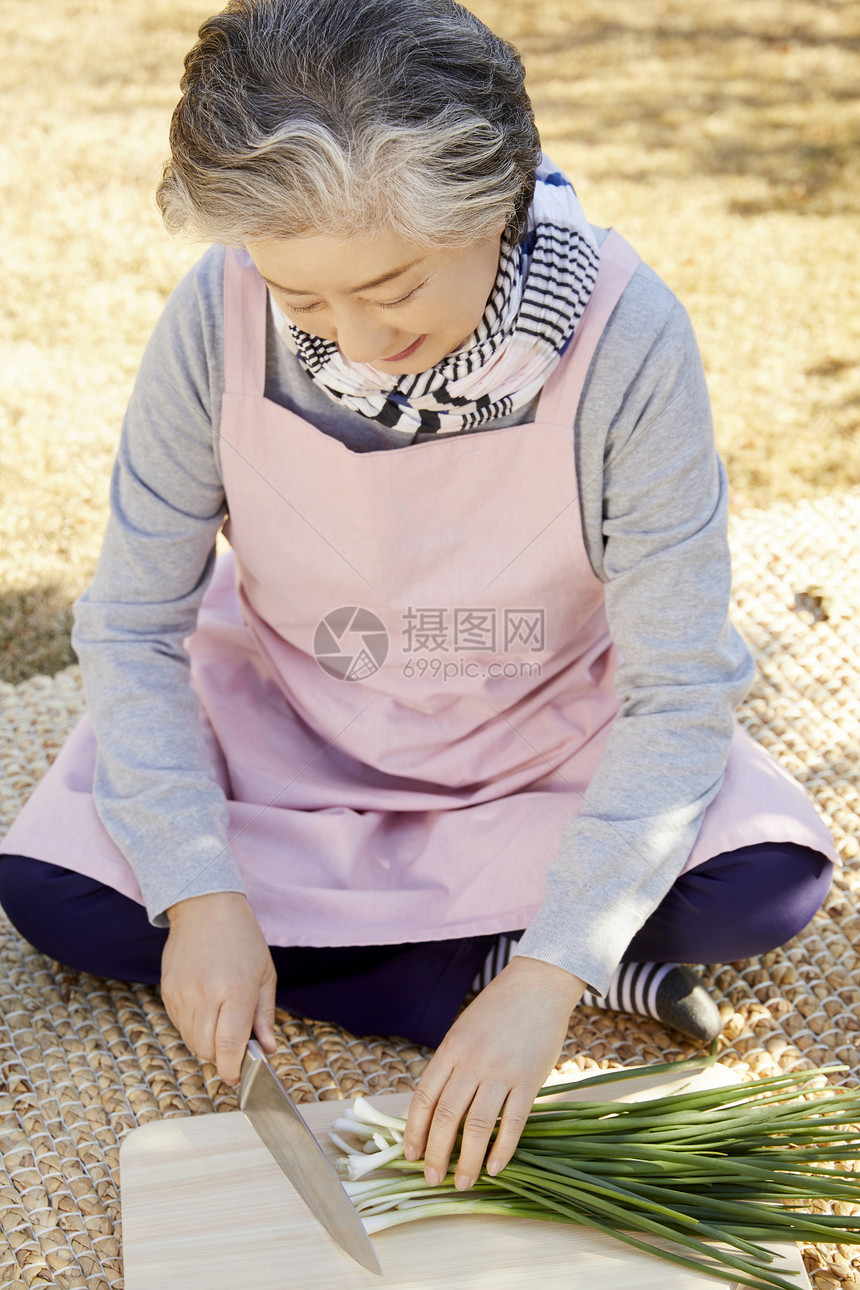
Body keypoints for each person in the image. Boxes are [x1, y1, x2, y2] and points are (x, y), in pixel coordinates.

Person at [0, 0, 836, 1193]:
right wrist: (200, 893)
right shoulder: (212, 317)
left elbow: (680, 685)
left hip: (544, 739)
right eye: (303, 304)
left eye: (389, 286)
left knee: (766, 883)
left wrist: (549, 979)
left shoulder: (627, 339)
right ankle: (465, 964)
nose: (350, 339)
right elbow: (134, 622)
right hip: (294, 720)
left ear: (491, 204)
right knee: (54, 894)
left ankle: (492, 957)